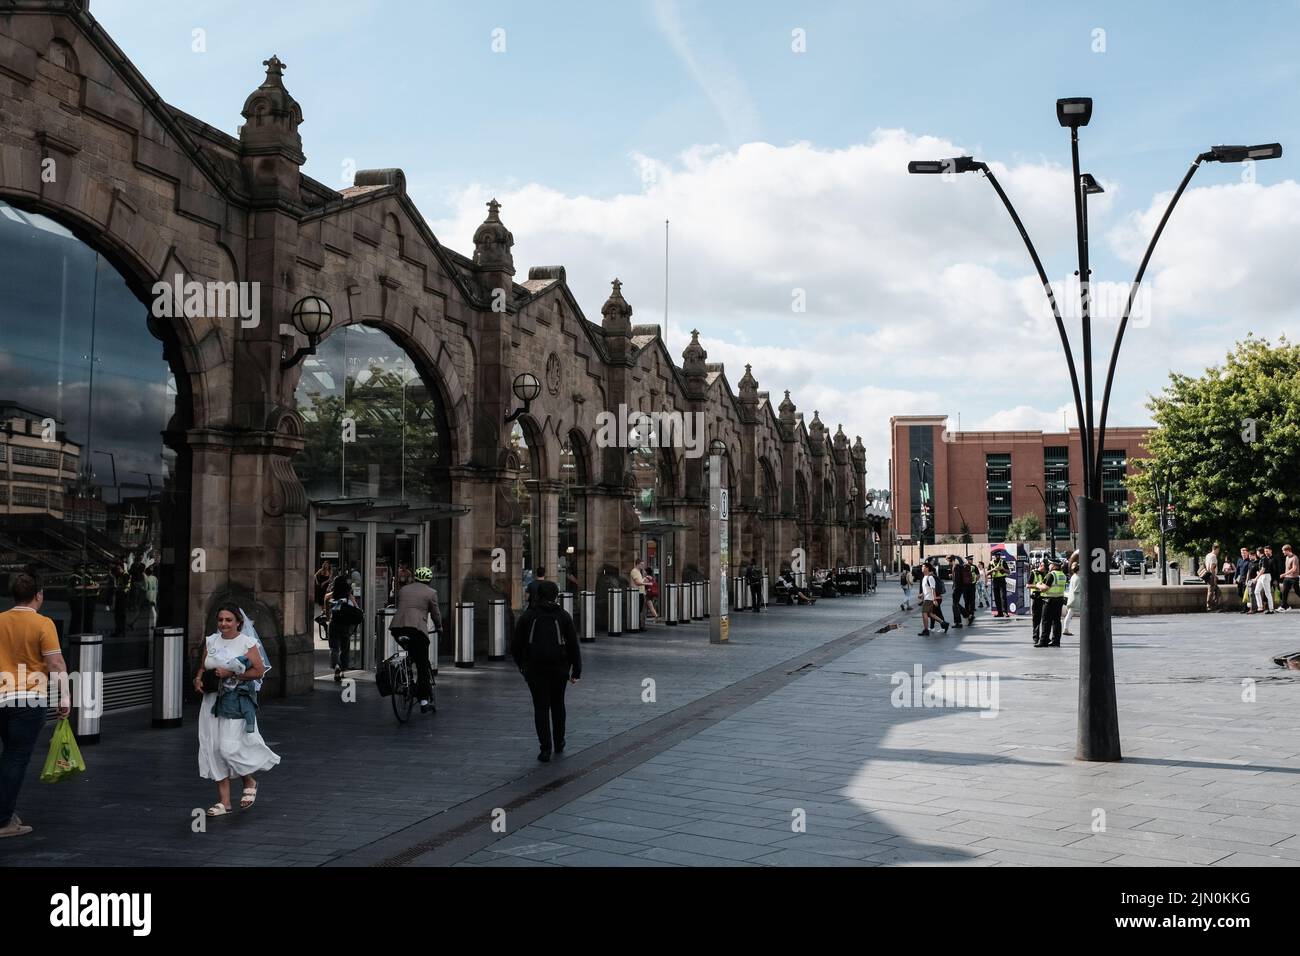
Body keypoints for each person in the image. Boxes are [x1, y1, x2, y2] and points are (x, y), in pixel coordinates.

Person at [0, 572, 71, 839]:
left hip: (1, 699)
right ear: (39, 595)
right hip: (28, 701)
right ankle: (4, 820)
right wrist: (65, 698)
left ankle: (5, 811)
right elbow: (56, 664)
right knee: (16, 758)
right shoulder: (43, 624)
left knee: (8, 756)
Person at [193, 605, 280, 816]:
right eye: (221, 619)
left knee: (228, 748)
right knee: (212, 748)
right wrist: (198, 678)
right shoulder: (211, 640)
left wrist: (231, 674)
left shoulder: (246, 643)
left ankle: (249, 780)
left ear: (238, 622)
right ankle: (224, 802)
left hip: (235, 702)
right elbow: (204, 666)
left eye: (229, 620)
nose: (223, 624)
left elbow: (258, 671)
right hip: (211, 701)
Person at [511, 581, 581, 763]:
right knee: (558, 704)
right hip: (559, 668)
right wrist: (576, 671)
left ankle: (545, 749)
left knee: (541, 707)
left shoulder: (528, 616)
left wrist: (522, 666)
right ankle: (559, 742)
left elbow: (516, 646)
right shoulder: (563, 616)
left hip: (535, 669)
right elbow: (573, 645)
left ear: (538, 595)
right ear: (556, 596)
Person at [390, 566, 443, 713]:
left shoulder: (404, 590)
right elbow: (436, 614)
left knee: (410, 652)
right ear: (430, 580)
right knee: (422, 664)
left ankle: (405, 676)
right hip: (417, 630)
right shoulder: (431, 593)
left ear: (415, 578)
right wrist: (439, 628)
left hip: (397, 628)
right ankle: (424, 701)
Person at [326, 571, 361, 680]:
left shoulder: (330, 595)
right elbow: (357, 608)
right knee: (344, 648)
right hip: (345, 625)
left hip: (334, 623)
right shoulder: (348, 595)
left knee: (334, 647)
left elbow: (326, 606)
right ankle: (342, 670)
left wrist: (328, 617)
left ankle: (336, 666)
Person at [1039, 560, 1068, 647]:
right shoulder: (1063, 575)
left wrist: (1037, 585)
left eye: (1051, 564)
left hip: (1049, 601)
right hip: (1059, 600)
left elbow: (1045, 588)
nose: (1049, 566)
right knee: (1056, 621)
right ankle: (1056, 641)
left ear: (1054, 566)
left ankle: (1043, 641)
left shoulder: (1051, 575)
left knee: (1046, 621)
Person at [1028, 557, 1050, 644]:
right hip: (1036, 598)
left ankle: (1045, 637)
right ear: (1041, 565)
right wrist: (1037, 586)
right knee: (1036, 619)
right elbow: (1028, 585)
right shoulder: (1033, 573)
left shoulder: (1047, 573)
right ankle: (1036, 637)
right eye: (1045, 567)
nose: (1046, 569)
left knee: (1045, 619)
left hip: (1045, 598)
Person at [1253, 545, 1275, 614]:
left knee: (1267, 593)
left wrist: (1256, 578)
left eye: (1257, 552)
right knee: (1256, 591)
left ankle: (1271, 609)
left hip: (1265, 576)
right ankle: (1260, 607)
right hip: (1262, 576)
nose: (1256, 553)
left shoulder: (1264, 559)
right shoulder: (1262, 559)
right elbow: (1262, 569)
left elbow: (1263, 569)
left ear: (1259, 552)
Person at [1062, 560, 1080, 636]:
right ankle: (1065, 629)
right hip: (1076, 600)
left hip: (1072, 599)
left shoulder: (1073, 577)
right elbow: (1077, 589)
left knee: (1069, 615)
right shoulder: (1078, 578)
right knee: (1085, 614)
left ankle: (1065, 629)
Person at [989, 552, 1009, 618]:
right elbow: (987, 573)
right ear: (994, 556)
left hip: (1002, 580)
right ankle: (999, 612)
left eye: (999, 555)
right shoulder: (991, 563)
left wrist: (1002, 569)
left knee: (1003, 597)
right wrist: (992, 570)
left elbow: (1008, 571)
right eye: (996, 555)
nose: (998, 556)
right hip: (995, 581)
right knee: (997, 597)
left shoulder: (1003, 562)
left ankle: (1005, 612)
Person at [1203, 543, 1222, 612]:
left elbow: (1206, 565)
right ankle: (1210, 607)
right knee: (1211, 591)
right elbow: (1212, 567)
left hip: (1208, 575)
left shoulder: (1208, 555)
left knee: (1217, 591)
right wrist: (1214, 577)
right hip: (1211, 576)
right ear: (1216, 549)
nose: (1218, 551)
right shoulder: (1213, 556)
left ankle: (1213, 606)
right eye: (1218, 550)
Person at [1280, 544, 1299, 611]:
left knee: (1297, 591)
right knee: (1284, 592)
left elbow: (1294, 569)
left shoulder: (1295, 557)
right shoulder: (1287, 557)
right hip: (1287, 578)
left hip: (1294, 578)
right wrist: (1285, 575)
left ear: (1287, 550)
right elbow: (1287, 568)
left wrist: (1284, 574)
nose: (1283, 552)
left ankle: (1284, 606)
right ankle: (1284, 606)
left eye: (1283, 551)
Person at [1236, 547, 1255, 613]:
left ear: (1247, 553)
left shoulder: (1249, 561)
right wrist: (1235, 578)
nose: (1243, 554)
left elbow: (1250, 571)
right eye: (1242, 553)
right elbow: (1237, 570)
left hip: (1246, 579)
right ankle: (1246, 605)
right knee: (1239, 593)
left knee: (1245, 593)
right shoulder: (1239, 560)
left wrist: (1248, 579)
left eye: (1244, 553)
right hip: (1240, 579)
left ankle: (1245, 608)